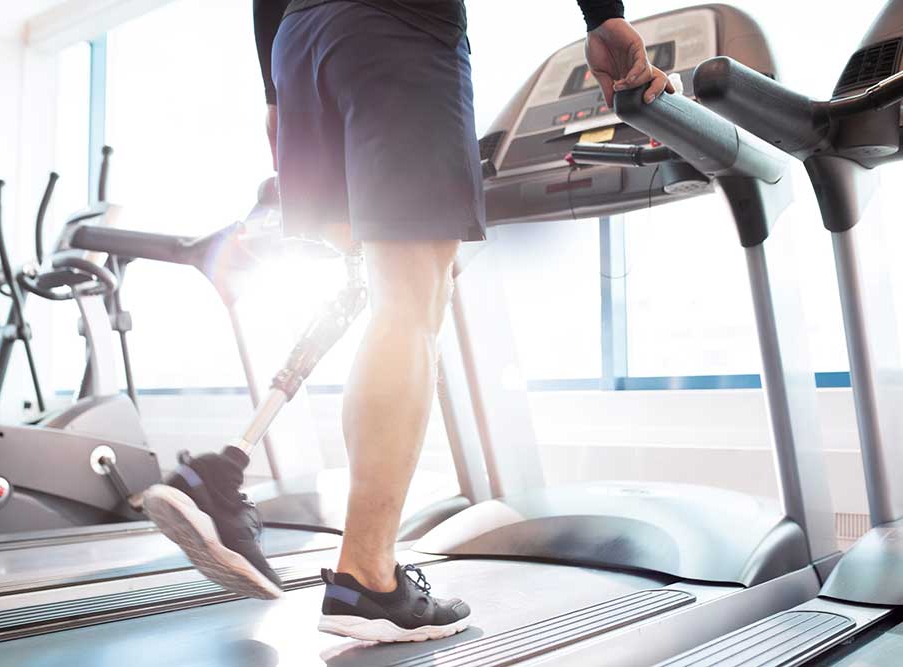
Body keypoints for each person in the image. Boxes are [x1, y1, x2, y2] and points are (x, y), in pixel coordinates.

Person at [143, 0, 672, 644]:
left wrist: (275, 90)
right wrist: (604, 16)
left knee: (387, 289)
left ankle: (225, 483)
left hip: (299, 38)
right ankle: (366, 576)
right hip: (399, 27)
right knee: (411, 298)